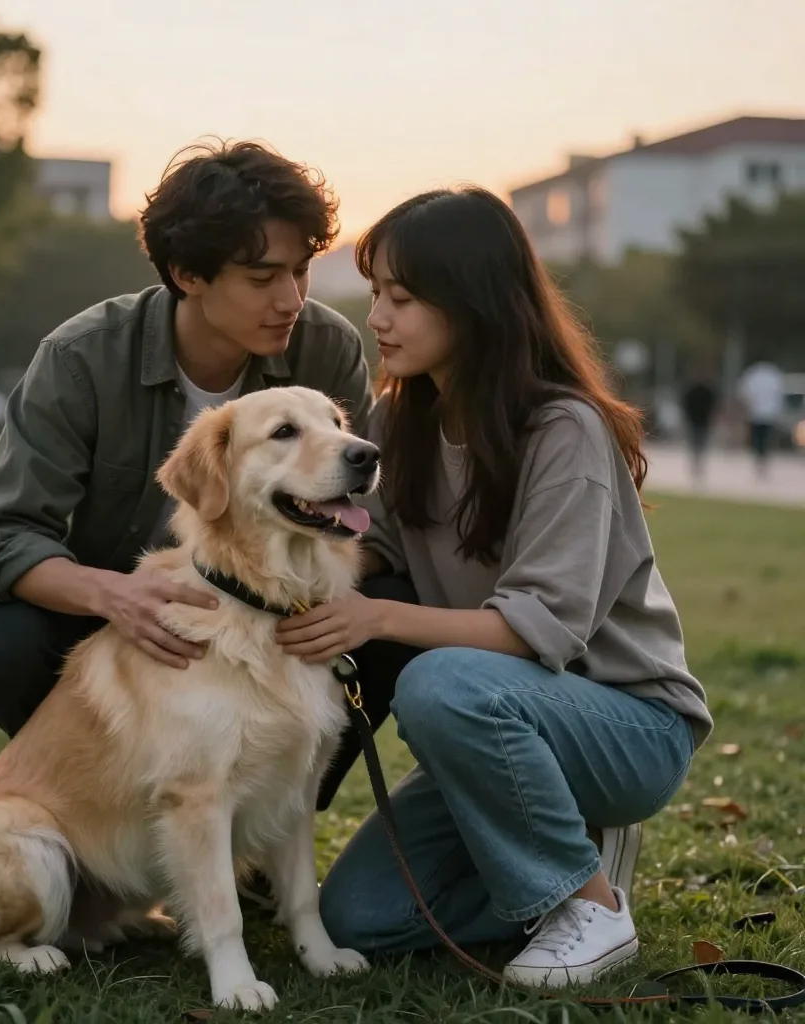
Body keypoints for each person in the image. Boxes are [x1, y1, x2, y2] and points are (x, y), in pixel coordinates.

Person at [274, 188, 713, 989]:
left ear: (473, 303)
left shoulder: (562, 428)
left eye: (401, 298)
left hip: (626, 724)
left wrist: (374, 617)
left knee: (437, 678)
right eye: (376, 295)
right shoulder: (399, 418)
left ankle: (590, 906)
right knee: (360, 920)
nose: (378, 318)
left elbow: (533, 629)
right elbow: (375, 554)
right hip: (495, 728)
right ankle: (566, 850)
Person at [0, 139, 374, 744]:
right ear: (187, 275)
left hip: (273, 614)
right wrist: (115, 596)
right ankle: (87, 801)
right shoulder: (81, 359)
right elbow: (2, 536)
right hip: (114, 621)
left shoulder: (326, 346)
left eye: (301, 269)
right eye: (263, 277)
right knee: (6, 641)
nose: (291, 300)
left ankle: (269, 817)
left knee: (382, 620)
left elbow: (362, 510)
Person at [737, 360, 785, 478]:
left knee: (758, 439)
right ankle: (762, 459)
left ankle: (760, 459)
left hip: (758, 414)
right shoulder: (774, 375)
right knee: (763, 439)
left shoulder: (753, 374)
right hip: (765, 414)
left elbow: (744, 393)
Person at [680, 367, 718, 481]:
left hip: (702, 421)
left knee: (700, 444)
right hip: (695, 420)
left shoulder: (707, 391)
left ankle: (698, 464)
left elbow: (713, 406)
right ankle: (696, 464)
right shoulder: (693, 390)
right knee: (695, 444)